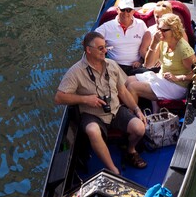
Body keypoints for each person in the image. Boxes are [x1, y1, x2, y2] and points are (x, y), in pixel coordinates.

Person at [55, 31, 148, 173]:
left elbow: (122, 91)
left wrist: (137, 109)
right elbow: (59, 97)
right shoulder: (75, 71)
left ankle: (130, 150)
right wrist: (85, 99)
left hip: (115, 110)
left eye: (105, 47)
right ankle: (113, 170)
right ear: (88, 50)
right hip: (92, 115)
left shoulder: (112, 65)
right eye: (100, 48)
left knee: (140, 128)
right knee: (92, 131)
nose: (105, 51)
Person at [126, 13, 196, 105]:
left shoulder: (183, 49)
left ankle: (134, 117)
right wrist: (154, 43)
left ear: (174, 30)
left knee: (133, 87)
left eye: (163, 30)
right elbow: (148, 65)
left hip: (177, 86)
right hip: (162, 78)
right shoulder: (163, 42)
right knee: (127, 80)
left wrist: (178, 78)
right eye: (158, 29)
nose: (159, 32)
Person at [94, 0, 152, 75]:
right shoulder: (107, 27)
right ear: (117, 10)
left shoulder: (141, 24)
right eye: (123, 10)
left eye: (128, 10)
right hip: (114, 67)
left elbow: (147, 46)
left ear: (133, 12)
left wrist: (140, 61)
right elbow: (91, 40)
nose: (125, 13)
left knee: (149, 75)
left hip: (136, 66)